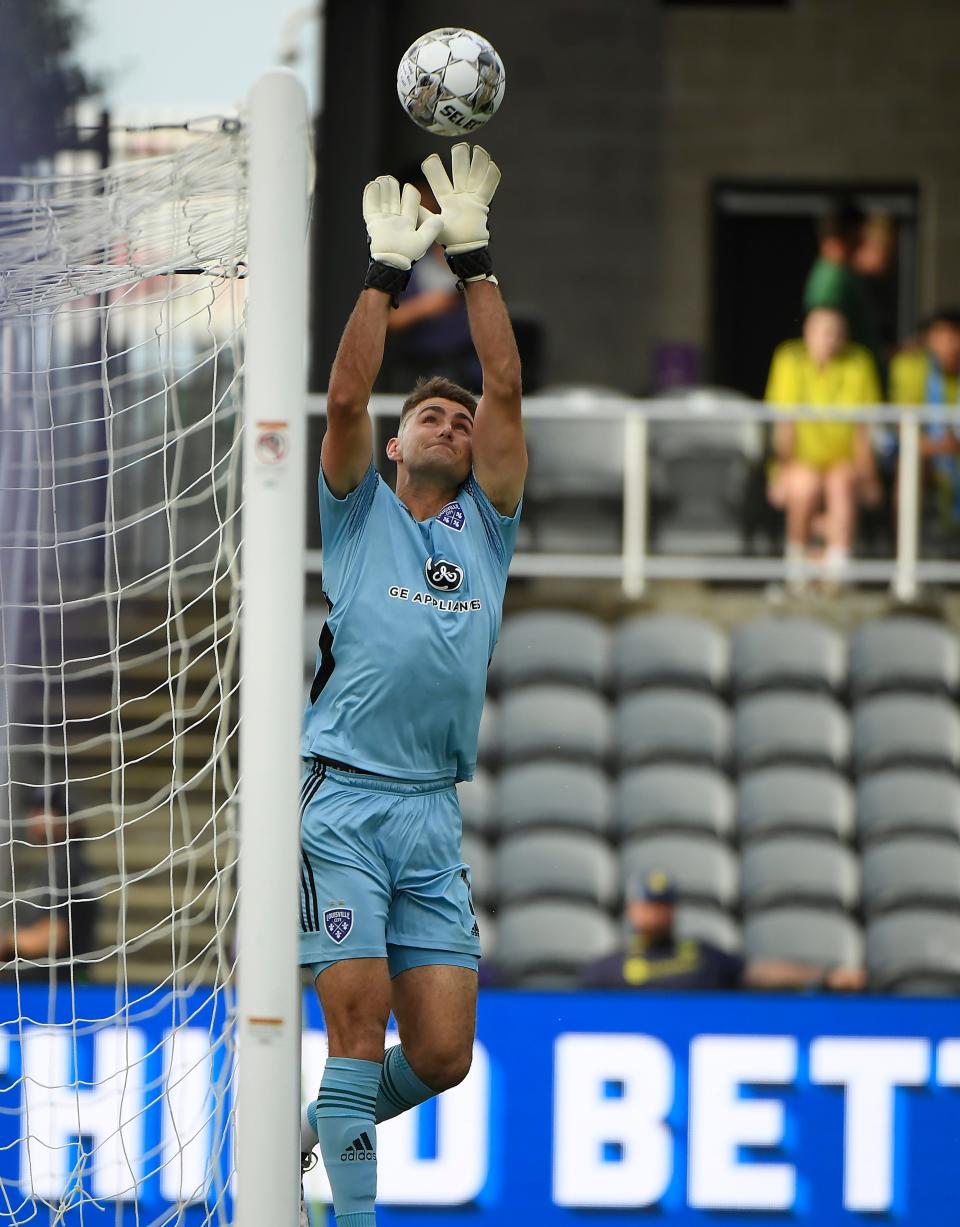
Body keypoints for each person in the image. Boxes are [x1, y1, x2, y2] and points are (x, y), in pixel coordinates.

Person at [298, 143, 525, 1227]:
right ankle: (346, 1213)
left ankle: (326, 1128)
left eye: (461, 421)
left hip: (430, 813)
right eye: (431, 416)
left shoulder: (486, 533)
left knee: (441, 1058)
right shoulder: (357, 517)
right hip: (343, 800)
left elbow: (507, 387)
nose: (453, 422)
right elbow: (343, 396)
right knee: (354, 1035)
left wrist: (473, 256)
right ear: (394, 447)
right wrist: (387, 272)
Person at [581, 871, 866, 992]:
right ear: (632, 909)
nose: (655, 914)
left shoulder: (702, 956)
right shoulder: (607, 970)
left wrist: (825, 976)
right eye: (648, 905)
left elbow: (757, 974)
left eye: (663, 905)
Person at [765, 306, 883, 590]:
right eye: (826, 332)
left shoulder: (859, 361)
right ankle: (797, 563)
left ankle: (837, 568)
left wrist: (869, 478)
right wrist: (783, 471)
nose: (833, 340)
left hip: (844, 460)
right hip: (800, 459)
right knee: (804, 486)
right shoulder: (789, 359)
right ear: (807, 334)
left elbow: (862, 428)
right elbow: (785, 424)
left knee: (841, 483)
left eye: (839, 333)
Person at [383, 165, 481, 391]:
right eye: (416, 204)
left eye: (430, 201)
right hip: (419, 370)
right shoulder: (395, 253)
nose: (425, 211)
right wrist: (427, 306)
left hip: (468, 369)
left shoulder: (461, 247)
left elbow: (493, 299)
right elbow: (384, 319)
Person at [0, 785, 98, 979]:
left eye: (46, 810)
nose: (35, 816)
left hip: (56, 988)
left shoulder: (67, 865)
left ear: (68, 818)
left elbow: (53, 937)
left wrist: (8, 941)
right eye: (34, 809)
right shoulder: (52, 865)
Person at [890, 307, 960, 529]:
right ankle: (906, 545)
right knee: (909, 463)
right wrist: (937, 445)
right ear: (928, 340)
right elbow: (902, 424)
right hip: (925, 451)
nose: (950, 346)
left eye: (955, 338)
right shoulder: (909, 367)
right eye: (942, 338)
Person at [804, 203, 884, 380]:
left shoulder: (845, 272)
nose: (864, 238)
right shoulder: (830, 277)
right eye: (861, 231)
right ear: (850, 232)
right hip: (845, 380)